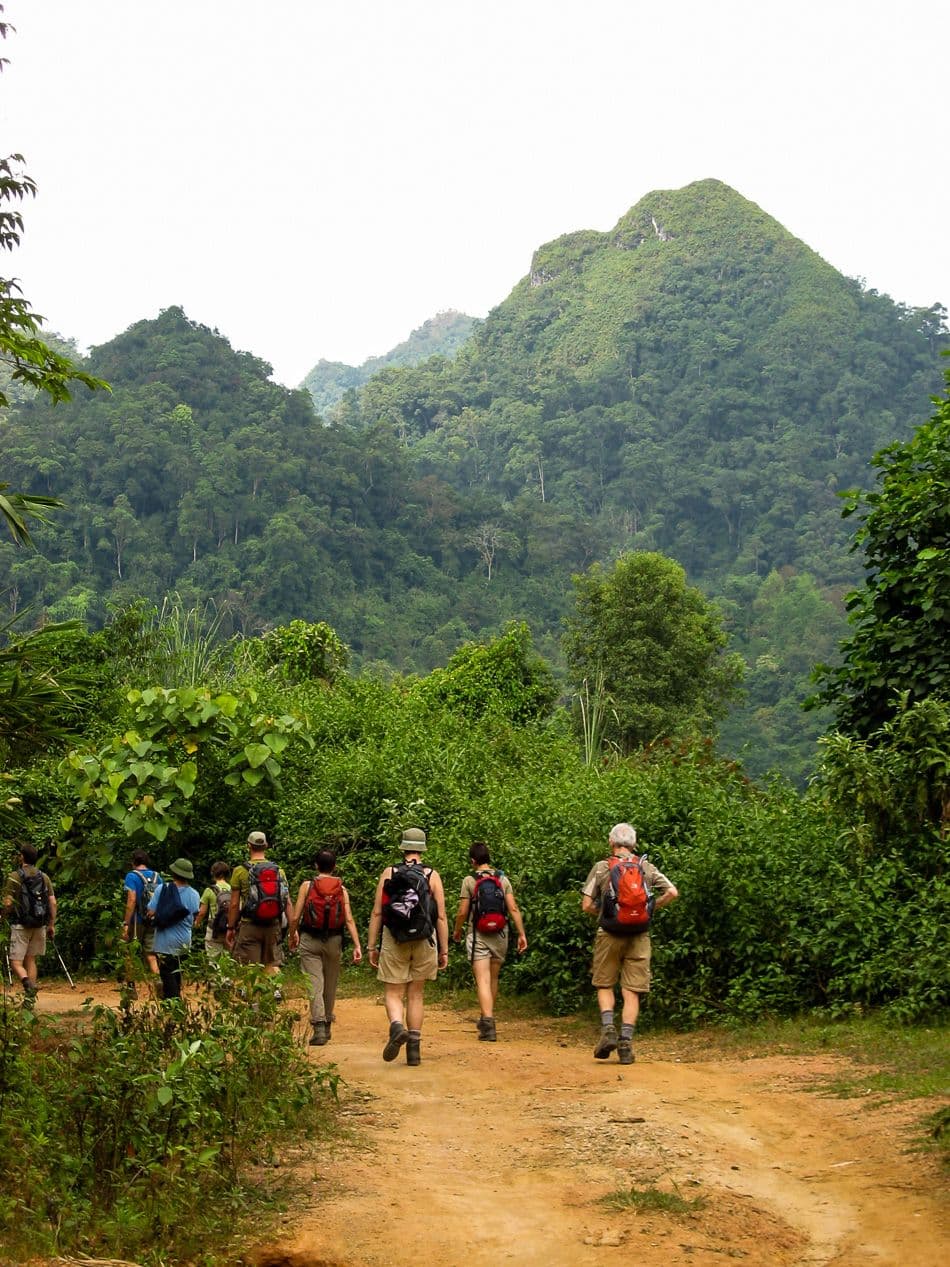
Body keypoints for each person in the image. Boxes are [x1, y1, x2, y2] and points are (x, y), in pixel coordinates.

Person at [581, 823, 678, 1065]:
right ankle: (625, 1043)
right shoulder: (644, 866)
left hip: (609, 934)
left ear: (610, 842)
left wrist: (605, 915)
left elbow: (585, 904)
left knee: (604, 983)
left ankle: (608, 1029)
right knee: (632, 990)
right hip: (639, 935)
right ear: (634, 844)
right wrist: (650, 909)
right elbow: (672, 892)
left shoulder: (603, 867)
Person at [366, 827, 448, 1066]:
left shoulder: (389, 872)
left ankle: (396, 1026)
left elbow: (378, 912)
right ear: (422, 848)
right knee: (416, 994)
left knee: (393, 992)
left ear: (403, 847)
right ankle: (414, 1050)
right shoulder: (432, 875)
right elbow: (441, 916)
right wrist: (443, 950)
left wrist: (372, 946)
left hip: (395, 937)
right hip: (424, 939)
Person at [452, 841, 527, 1042]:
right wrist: (521, 934)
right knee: (492, 979)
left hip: (477, 934)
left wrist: (457, 931)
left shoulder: (469, 880)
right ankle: (488, 1020)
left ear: (473, 861)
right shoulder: (502, 879)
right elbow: (513, 909)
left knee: (482, 980)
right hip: (501, 934)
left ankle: (488, 1022)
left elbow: (462, 912)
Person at [290, 848, 362, 1046]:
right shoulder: (341, 888)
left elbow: (295, 916)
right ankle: (327, 1023)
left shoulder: (307, 886)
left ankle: (319, 1027)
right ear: (335, 866)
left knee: (314, 983)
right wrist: (357, 945)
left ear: (316, 865)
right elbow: (348, 918)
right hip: (334, 940)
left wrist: (291, 935)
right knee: (330, 983)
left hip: (309, 939)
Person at [225, 831, 294, 975]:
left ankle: (255, 997)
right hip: (273, 925)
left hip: (249, 925)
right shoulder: (279, 871)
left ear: (248, 846)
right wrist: (293, 930)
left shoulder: (239, 871)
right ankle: (275, 990)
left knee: (251, 967)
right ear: (266, 846)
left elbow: (233, 904)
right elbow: (287, 902)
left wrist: (230, 928)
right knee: (272, 963)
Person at [2, 844, 56, 1004]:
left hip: (21, 925)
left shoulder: (14, 876)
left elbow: (7, 902)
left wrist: (3, 915)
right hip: (39, 924)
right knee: (31, 960)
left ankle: (26, 983)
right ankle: (29, 999)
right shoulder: (44, 877)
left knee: (16, 962)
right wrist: (51, 924)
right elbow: (53, 902)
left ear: (22, 857)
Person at [147, 857, 200, 1000]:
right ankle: (175, 1004)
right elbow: (195, 914)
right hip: (184, 942)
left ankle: (174, 1006)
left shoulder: (162, 889)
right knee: (177, 974)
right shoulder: (194, 894)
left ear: (174, 873)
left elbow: (151, 911)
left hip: (164, 942)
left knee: (167, 975)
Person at [120, 847, 160, 981]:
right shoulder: (156, 876)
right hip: (153, 919)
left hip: (137, 920)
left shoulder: (132, 876)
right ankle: (158, 980)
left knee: (129, 951)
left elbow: (131, 899)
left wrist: (126, 922)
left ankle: (131, 986)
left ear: (133, 862)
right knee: (151, 953)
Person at [194, 861, 232, 961]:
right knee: (227, 960)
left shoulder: (209, 890)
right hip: (229, 928)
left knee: (213, 961)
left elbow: (202, 912)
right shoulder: (232, 889)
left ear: (212, 873)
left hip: (214, 929)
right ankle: (226, 977)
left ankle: (216, 977)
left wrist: (197, 923)